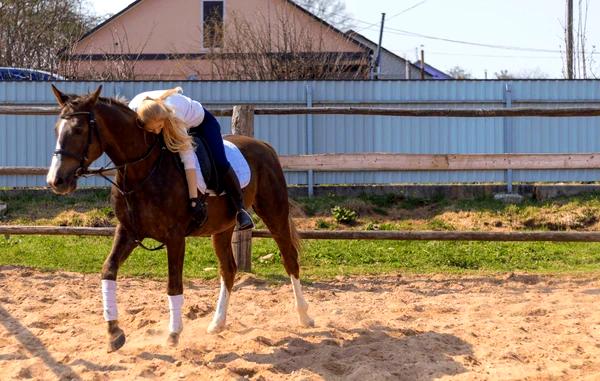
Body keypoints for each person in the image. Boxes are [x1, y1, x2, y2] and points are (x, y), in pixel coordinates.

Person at [128, 87, 254, 231]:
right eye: (152, 129)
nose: (156, 132)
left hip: (203, 124)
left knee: (220, 161)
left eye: (159, 127)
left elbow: (188, 159)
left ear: (164, 120)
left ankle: (240, 209)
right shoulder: (134, 109)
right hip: (171, 121)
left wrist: (194, 200)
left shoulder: (174, 117)